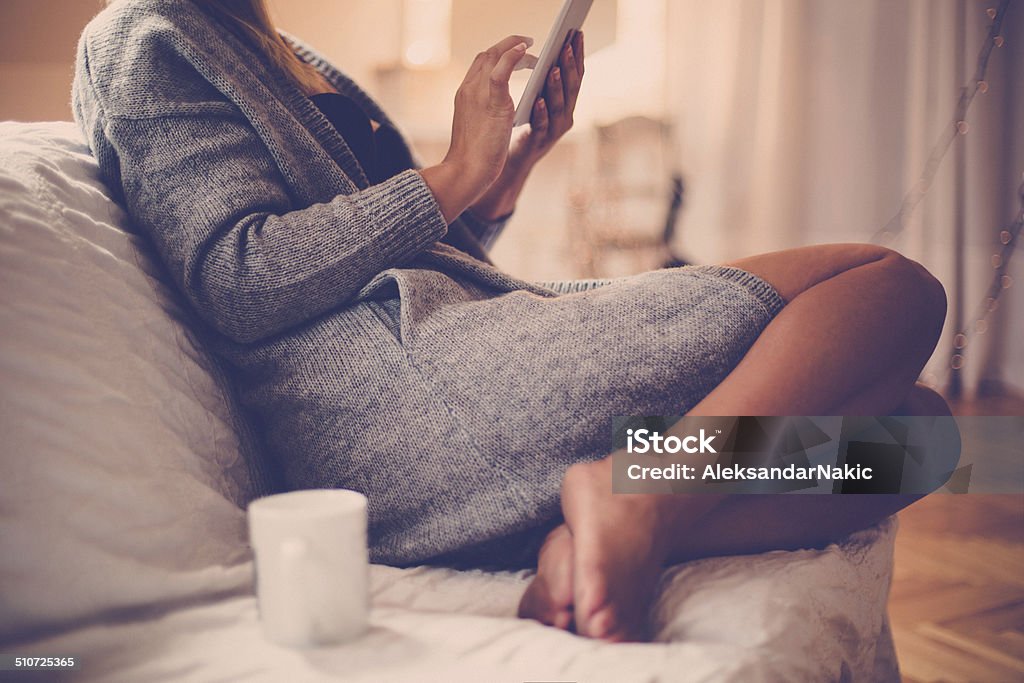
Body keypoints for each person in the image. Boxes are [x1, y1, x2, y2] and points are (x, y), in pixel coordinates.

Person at [73, 0, 950, 642]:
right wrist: (454, 171)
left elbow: (410, 258)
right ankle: (640, 489)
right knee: (888, 287)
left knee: (919, 436)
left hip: (452, 376)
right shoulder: (141, 36)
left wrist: (502, 177)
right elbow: (240, 275)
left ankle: (628, 511)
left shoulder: (276, 46)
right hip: (406, 411)